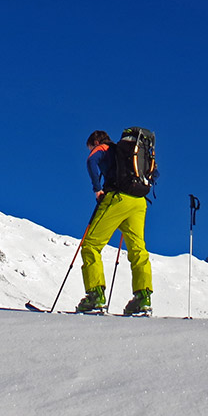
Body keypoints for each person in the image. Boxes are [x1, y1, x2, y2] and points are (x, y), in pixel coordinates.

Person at [76, 130, 154, 316]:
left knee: (90, 245)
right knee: (138, 250)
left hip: (117, 199)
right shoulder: (133, 154)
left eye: (90, 146)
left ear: (95, 141)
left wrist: (97, 189)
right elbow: (153, 173)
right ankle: (143, 298)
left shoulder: (103, 148)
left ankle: (95, 296)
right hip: (139, 202)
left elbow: (91, 161)